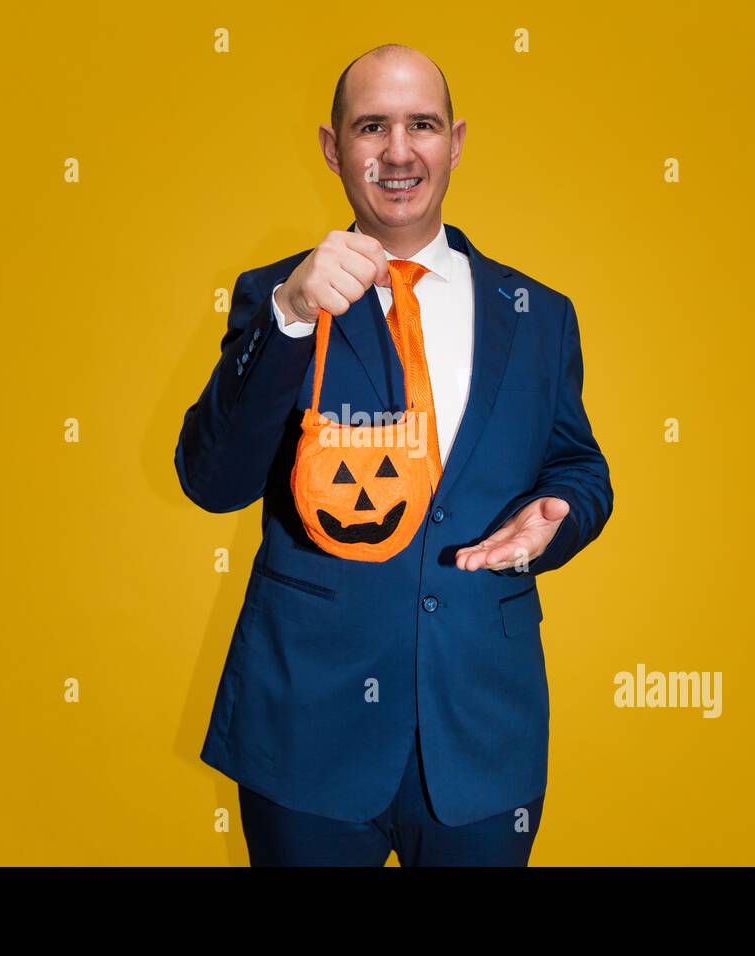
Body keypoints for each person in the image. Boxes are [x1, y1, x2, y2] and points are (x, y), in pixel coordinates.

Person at [174, 43, 613, 866]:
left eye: (423, 125)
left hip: (484, 726)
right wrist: (291, 318)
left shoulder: (539, 314)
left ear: (456, 142)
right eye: (371, 127)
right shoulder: (277, 296)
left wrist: (563, 513)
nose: (400, 151)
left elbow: (577, 465)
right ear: (333, 148)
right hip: (307, 731)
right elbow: (212, 479)